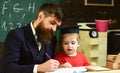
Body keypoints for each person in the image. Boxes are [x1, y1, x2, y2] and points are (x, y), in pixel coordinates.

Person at [1, 2, 64, 73]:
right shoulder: (16, 35)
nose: (54, 29)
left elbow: (48, 66)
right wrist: (38, 68)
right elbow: (7, 68)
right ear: (40, 16)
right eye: (52, 23)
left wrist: (60, 68)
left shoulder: (52, 39)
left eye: (57, 26)